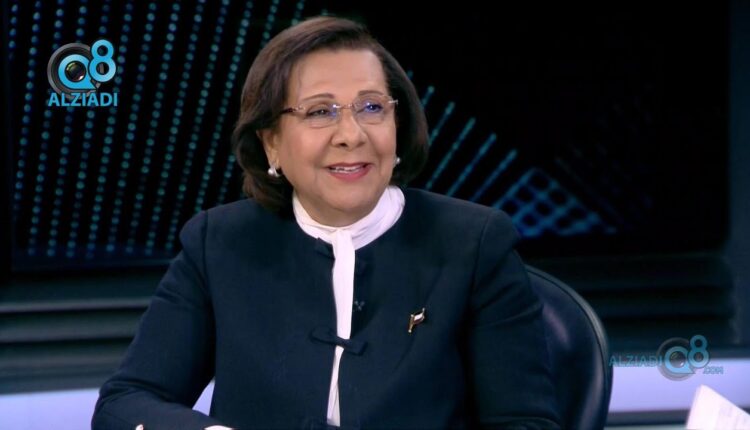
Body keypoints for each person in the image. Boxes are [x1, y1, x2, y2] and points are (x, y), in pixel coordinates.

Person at [92, 16, 561, 429]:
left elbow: (525, 422)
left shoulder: (474, 244)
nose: (351, 135)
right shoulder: (218, 244)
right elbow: (125, 403)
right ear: (272, 144)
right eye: (320, 112)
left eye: (372, 107)